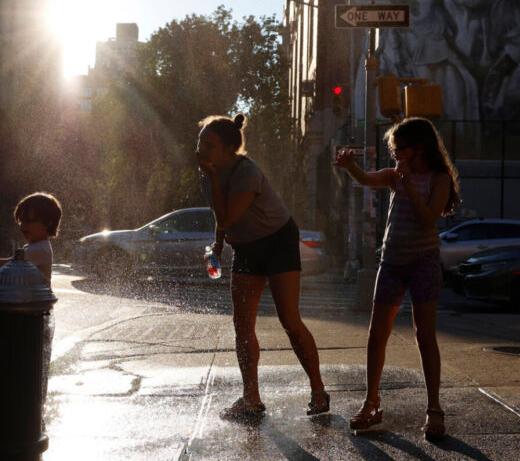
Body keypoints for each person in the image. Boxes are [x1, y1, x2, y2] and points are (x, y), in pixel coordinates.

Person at [332, 117, 461, 441]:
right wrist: (350, 166)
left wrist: (404, 186)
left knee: (424, 334)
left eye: (398, 149)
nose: (394, 156)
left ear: (417, 149)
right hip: (391, 262)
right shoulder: (393, 175)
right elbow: (365, 179)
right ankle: (371, 403)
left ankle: (434, 409)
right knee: (377, 333)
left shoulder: (438, 178)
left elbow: (428, 218)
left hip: (423, 262)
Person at [196, 113, 329, 423]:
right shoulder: (208, 172)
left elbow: (227, 216)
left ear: (230, 149)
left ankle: (319, 392)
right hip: (246, 247)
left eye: (209, 144)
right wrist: (218, 245)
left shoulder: (247, 172)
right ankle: (251, 398)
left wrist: (213, 179)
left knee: (289, 319)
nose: (201, 148)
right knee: (242, 324)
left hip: (277, 240)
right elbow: (221, 217)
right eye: (200, 140)